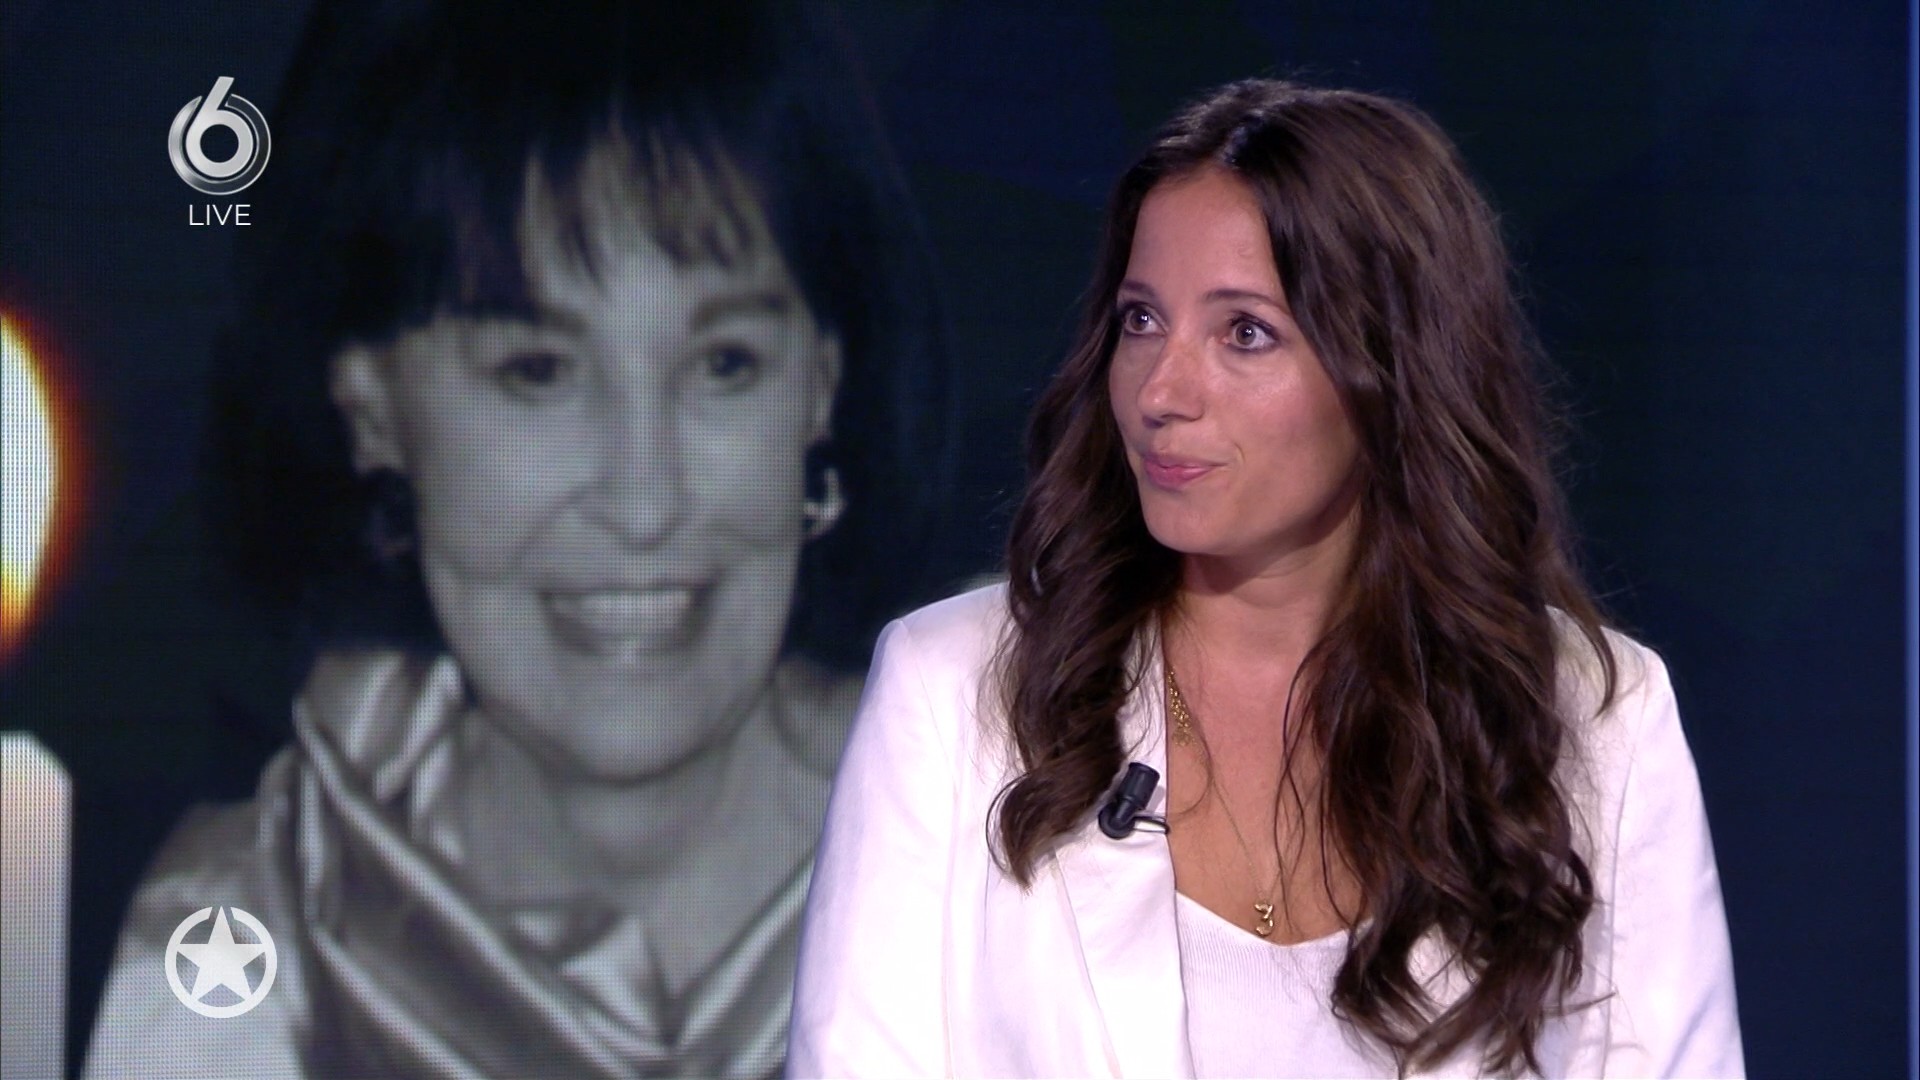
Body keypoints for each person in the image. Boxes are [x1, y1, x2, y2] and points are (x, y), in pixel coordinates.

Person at [789, 79, 1743, 1078]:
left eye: (1244, 332)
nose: (1161, 392)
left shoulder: (1595, 721)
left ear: (1393, 370)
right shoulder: (954, 694)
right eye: (1141, 320)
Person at [85, 2, 946, 1077]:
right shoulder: (233, 932)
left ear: (821, 386)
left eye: (724, 363)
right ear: (372, 409)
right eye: (536, 372)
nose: (643, 501)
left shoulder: (996, 866)